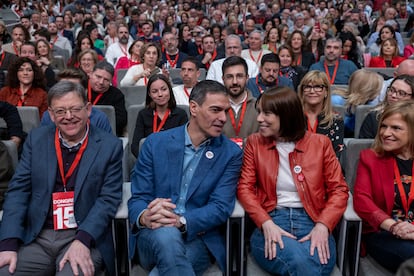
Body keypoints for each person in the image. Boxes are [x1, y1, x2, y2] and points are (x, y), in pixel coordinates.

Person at [0, 81, 122, 275]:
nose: (68, 117)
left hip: (82, 235)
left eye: (75, 109)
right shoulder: (37, 139)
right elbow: (18, 191)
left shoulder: (109, 146)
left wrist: (83, 240)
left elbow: (108, 199)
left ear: (88, 109)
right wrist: (7, 243)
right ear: (50, 115)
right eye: (60, 111)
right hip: (37, 236)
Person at [128, 80, 243, 275]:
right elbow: (139, 196)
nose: (223, 118)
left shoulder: (230, 153)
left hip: (197, 237)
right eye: (215, 110)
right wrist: (145, 217)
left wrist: (181, 222)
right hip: (152, 234)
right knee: (166, 233)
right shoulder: (155, 143)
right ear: (194, 108)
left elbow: (220, 206)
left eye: (226, 111)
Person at [237, 87, 349, 276]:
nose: (259, 119)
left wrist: (324, 225)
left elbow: (339, 190)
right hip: (272, 220)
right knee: (304, 264)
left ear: (286, 115)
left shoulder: (320, 143)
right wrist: (265, 222)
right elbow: (244, 188)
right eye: (259, 112)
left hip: (313, 220)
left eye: (267, 113)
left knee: (309, 264)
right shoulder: (255, 143)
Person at [353, 100, 414, 272]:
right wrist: (394, 227)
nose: (386, 133)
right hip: (385, 234)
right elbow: (362, 201)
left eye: (396, 128)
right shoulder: (370, 159)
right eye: (383, 126)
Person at [130, 74, 188, 157]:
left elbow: (184, 143)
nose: (160, 94)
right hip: (149, 162)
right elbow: (135, 146)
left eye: (164, 89)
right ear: (149, 94)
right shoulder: (143, 114)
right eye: (154, 91)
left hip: (174, 160)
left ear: (169, 90)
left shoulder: (180, 114)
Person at [41, 68, 113, 134]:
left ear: (85, 91)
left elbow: (108, 145)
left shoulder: (99, 118)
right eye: (63, 88)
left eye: (73, 88)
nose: (68, 94)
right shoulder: (48, 116)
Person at [298, 70, 345, 158]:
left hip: (325, 169)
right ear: (302, 91)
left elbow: (335, 155)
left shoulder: (336, 121)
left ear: (326, 92)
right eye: (307, 87)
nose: (312, 91)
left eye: (318, 87)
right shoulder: (292, 118)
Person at [332, 69, 383, 137]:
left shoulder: (372, 106)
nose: (379, 93)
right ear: (367, 91)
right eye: (376, 90)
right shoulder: (335, 101)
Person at [221, 56, 258, 147]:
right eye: (229, 77)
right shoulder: (215, 108)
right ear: (223, 79)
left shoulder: (259, 107)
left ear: (247, 78)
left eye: (239, 76)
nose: (234, 82)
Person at [87, 61, 127, 136]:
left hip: (105, 134)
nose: (101, 82)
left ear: (111, 81)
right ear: (91, 74)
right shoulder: (80, 89)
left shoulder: (117, 95)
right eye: (98, 77)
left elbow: (120, 121)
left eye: (106, 80)